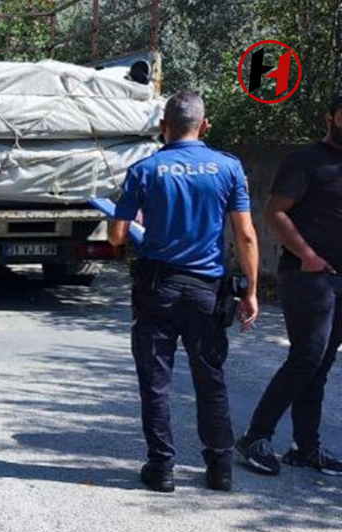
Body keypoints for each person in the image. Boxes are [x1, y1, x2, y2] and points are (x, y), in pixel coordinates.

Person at [109, 89, 260, 493]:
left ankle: (161, 469)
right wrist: (251, 291)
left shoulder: (144, 170)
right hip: (207, 292)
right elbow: (245, 235)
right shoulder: (228, 168)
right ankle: (219, 469)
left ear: (163, 128)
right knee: (210, 380)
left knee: (155, 381)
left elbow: (116, 236)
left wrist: (135, 220)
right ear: (204, 125)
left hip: (156, 290)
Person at [236, 91, 342, 478]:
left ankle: (306, 447)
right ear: (330, 117)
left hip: (339, 280)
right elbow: (273, 212)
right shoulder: (306, 161)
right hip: (307, 277)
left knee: (322, 363)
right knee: (307, 358)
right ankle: (255, 437)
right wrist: (309, 255)